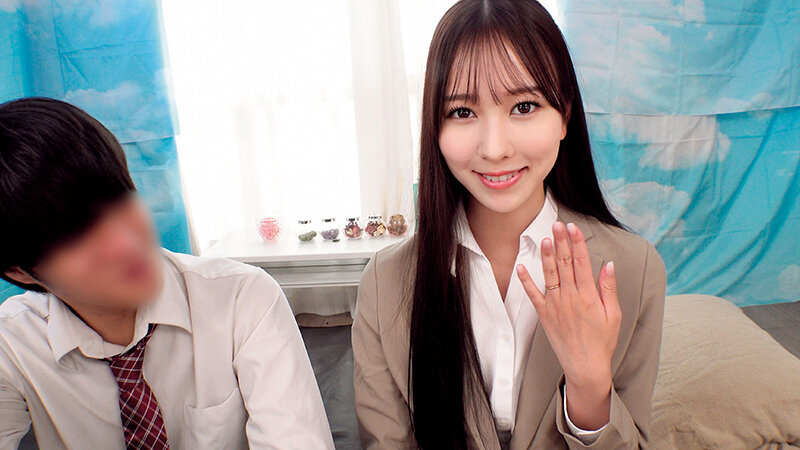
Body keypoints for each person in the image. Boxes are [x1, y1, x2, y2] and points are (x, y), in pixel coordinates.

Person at [352, 0, 667, 448]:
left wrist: (589, 385)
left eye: (524, 106)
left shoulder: (632, 269)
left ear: (565, 115)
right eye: (463, 112)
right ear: (435, 126)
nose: (495, 148)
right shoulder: (385, 283)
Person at [0, 97, 335, 449]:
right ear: (20, 272)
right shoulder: (11, 345)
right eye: (77, 236)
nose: (124, 244)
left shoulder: (242, 297)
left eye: (121, 199)